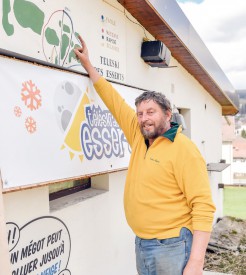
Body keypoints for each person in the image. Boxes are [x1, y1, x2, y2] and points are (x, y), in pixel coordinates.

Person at [74, 35, 216, 275]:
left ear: (168, 114)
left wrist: (196, 263)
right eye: (140, 113)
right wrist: (88, 65)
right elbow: (113, 100)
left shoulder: (185, 150)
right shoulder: (139, 136)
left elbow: (203, 207)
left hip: (172, 247)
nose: (144, 118)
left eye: (150, 112)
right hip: (143, 243)